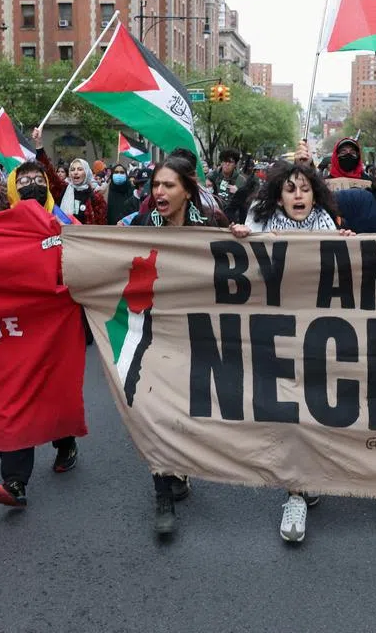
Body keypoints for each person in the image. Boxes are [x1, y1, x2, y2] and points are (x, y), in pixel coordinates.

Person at [229, 161, 351, 542]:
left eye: (305, 189)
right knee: (287, 410)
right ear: (278, 195)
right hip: (275, 334)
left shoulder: (326, 224)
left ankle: (304, 479)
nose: (298, 196)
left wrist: (349, 245)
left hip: (317, 333)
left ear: (315, 193)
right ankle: (295, 491)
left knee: (314, 407)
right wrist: (240, 237)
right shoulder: (260, 221)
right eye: (290, 189)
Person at [130, 157, 220, 534]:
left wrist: (242, 236)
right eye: (155, 186)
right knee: (154, 409)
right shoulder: (140, 226)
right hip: (155, 331)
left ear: (187, 190)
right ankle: (162, 493)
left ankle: (180, 468)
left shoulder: (211, 226)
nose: (159, 193)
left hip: (197, 332)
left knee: (185, 409)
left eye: (168, 186)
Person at [0, 160, 80, 508]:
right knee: (14, 400)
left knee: (52, 393)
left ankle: (65, 441)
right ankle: (14, 482)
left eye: (36, 179)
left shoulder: (67, 223)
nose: (30, 184)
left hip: (57, 326)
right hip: (12, 328)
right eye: (22, 179)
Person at [61, 158, 107, 225]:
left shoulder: (96, 198)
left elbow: (101, 224)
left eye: (80, 169)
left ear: (86, 172)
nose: (75, 172)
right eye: (72, 170)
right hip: (66, 233)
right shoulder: (64, 190)